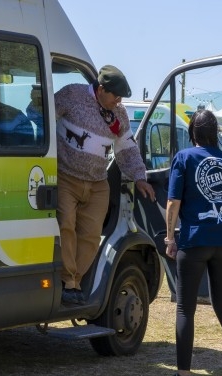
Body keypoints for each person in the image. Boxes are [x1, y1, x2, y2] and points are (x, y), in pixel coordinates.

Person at [158, 110, 222, 376]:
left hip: (195, 239)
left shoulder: (185, 158)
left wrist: (169, 237)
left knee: (186, 307)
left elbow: (173, 202)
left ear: (193, 133)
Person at [54, 65, 155, 305]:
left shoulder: (118, 114)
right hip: (65, 176)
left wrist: (139, 176)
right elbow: (43, 114)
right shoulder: (72, 95)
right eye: (116, 96)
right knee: (66, 225)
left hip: (97, 183)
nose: (119, 101)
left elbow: (126, 148)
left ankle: (75, 283)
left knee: (90, 236)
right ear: (100, 89)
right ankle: (68, 282)